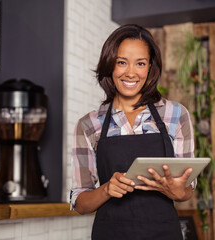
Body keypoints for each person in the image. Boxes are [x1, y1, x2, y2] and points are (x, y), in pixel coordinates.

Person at [70, 24, 195, 240]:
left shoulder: (175, 115)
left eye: (140, 63)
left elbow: (187, 190)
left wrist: (177, 191)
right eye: (121, 62)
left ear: (150, 68)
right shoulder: (89, 125)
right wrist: (107, 189)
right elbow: (80, 203)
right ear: (110, 65)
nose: (130, 72)